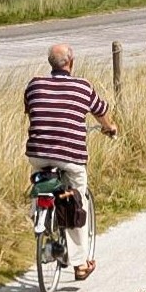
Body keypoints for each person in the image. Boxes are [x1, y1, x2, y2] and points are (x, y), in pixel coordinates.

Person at [23, 42, 117, 279]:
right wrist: (110, 128)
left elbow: (30, 111)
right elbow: (101, 112)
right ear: (71, 63)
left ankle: (40, 217)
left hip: (38, 153)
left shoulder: (34, 85)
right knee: (77, 201)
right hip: (71, 156)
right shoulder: (82, 87)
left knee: (41, 182)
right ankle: (80, 264)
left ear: (50, 64)